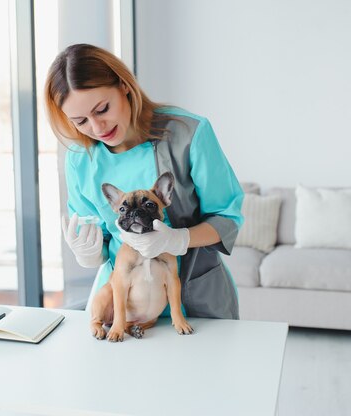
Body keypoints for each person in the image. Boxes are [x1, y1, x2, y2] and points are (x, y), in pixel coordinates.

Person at [44, 43, 244, 319]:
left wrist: (179, 239)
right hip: (125, 306)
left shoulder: (189, 133)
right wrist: (88, 254)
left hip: (196, 301)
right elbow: (97, 236)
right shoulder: (81, 159)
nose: (97, 128)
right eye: (80, 121)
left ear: (124, 85)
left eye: (102, 109)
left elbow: (227, 217)